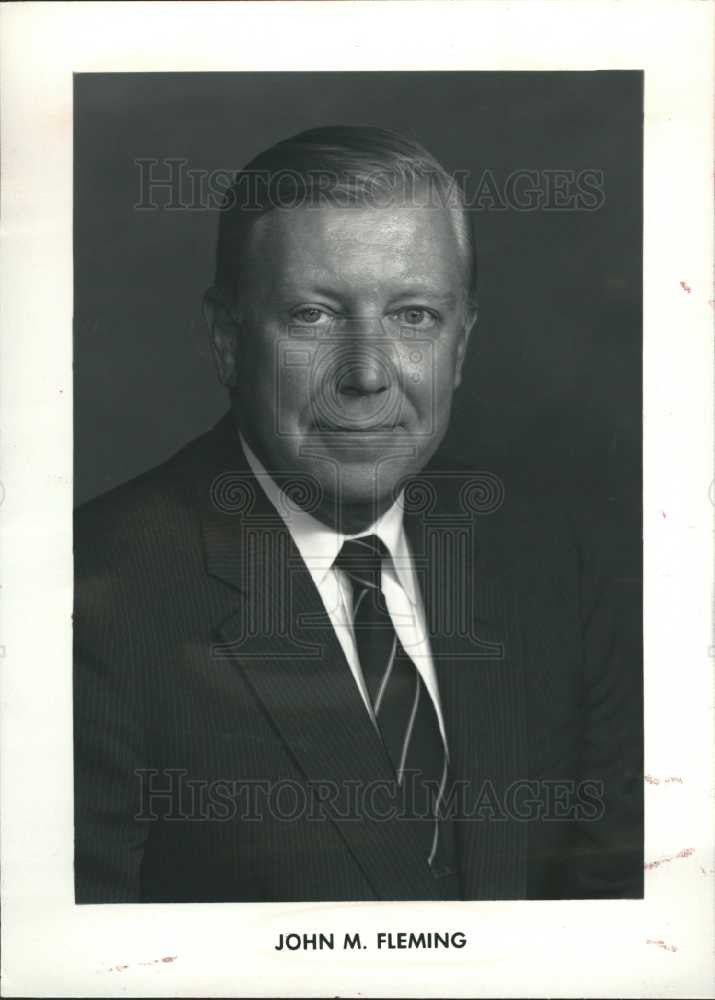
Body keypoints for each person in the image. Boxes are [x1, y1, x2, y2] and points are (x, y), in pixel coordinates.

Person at [74, 125, 642, 903]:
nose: (367, 374)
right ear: (227, 340)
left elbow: (619, 906)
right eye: (313, 315)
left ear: (462, 344)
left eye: (412, 316)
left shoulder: (551, 556)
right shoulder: (88, 601)